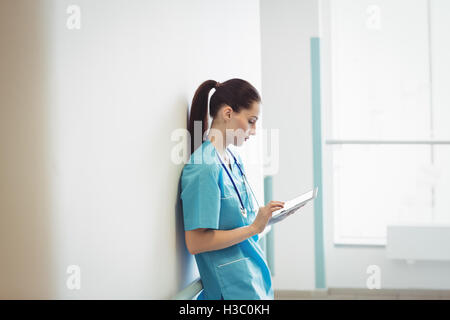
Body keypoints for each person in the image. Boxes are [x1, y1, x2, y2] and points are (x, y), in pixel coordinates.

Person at [180, 78, 285, 300]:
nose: (254, 131)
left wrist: (264, 220)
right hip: (229, 289)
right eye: (251, 121)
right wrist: (254, 228)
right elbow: (196, 242)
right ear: (228, 114)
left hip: (251, 280)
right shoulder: (204, 167)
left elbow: (239, 220)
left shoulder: (233, 160)